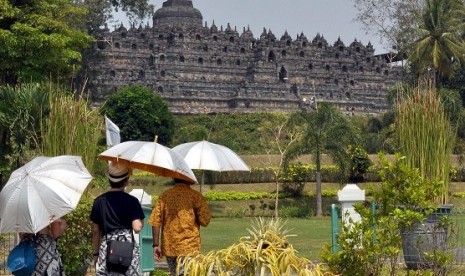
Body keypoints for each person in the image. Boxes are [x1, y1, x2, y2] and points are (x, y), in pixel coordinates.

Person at [90, 162, 145, 275]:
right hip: (127, 249)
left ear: (109, 180)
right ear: (126, 180)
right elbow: (137, 228)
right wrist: (141, 220)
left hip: (107, 248)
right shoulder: (132, 201)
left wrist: (96, 254)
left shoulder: (99, 201)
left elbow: (96, 231)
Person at [148, 177, 211, 276]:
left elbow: (155, 221)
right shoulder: (195, 196)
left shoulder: (164, 196)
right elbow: (205, 221)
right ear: (187, 178)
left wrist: (155, 245)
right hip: (190, 247)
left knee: (175, 273)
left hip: (170, 247)